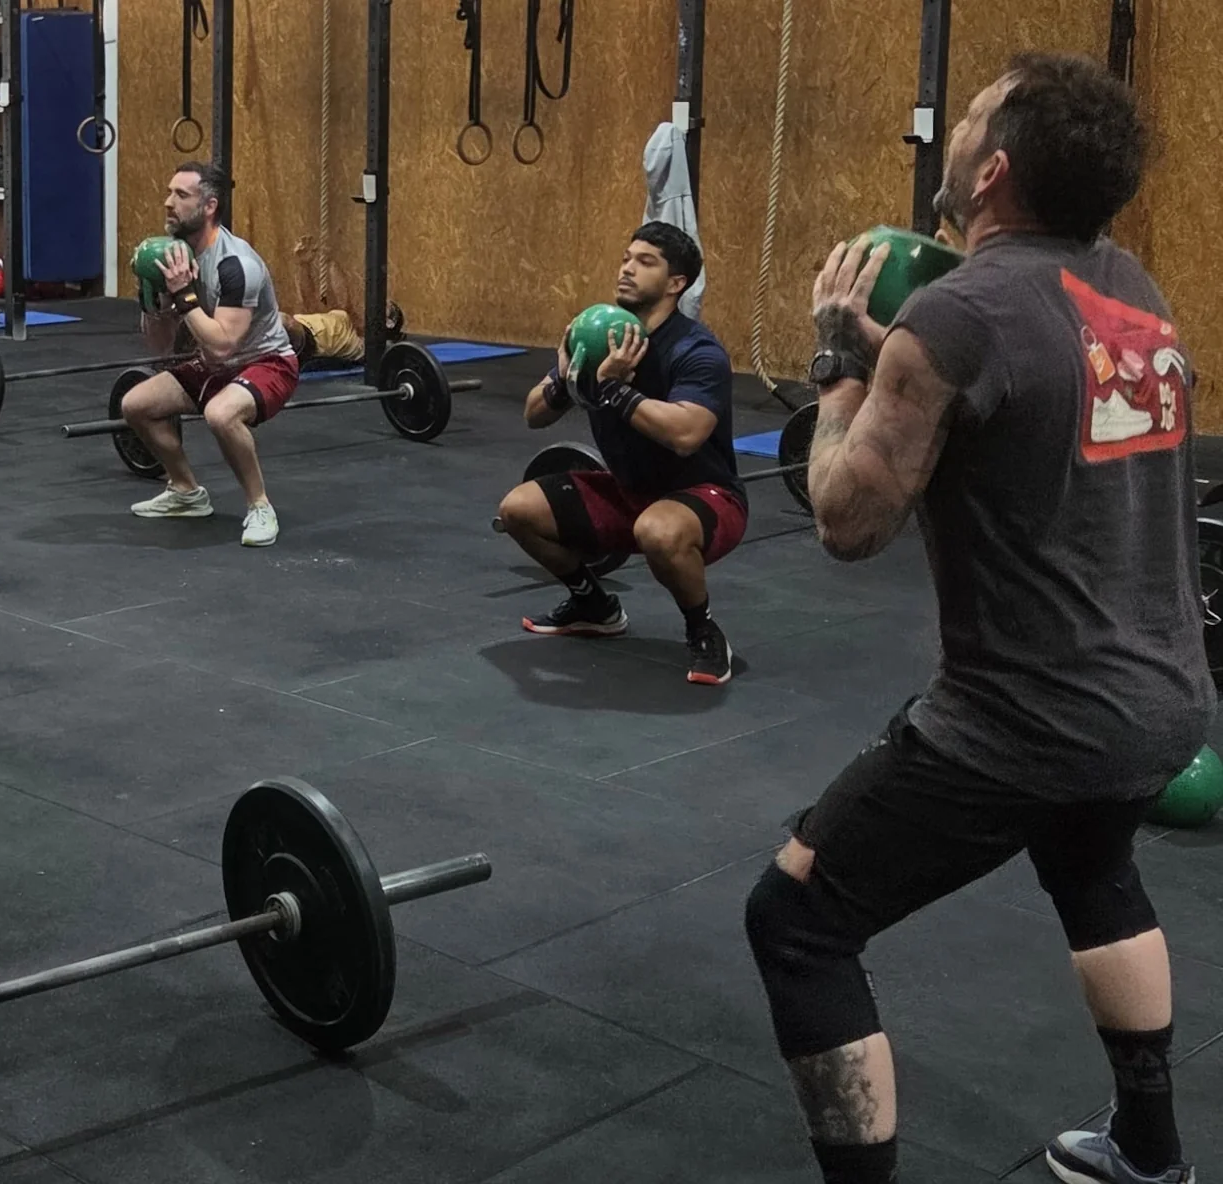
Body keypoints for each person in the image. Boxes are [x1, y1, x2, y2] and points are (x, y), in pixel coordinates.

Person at [743, 54, 1209, 1184]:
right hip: (1165, 700)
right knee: (1092, 870)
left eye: (965, 122)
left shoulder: (952, 320)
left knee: (797, 919)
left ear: (991, 169)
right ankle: (1149, 1153)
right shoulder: (1129, 289)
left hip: (1023, 720)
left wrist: (841, 361)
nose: (948, 135)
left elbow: (847, 522)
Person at [495, 221, 745, 685]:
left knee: (658, 530)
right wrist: (568, 380)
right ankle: (594, 606)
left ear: (677, 284)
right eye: (627, 258)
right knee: (518, 509)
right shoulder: (600, 334)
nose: (627, 269)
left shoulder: (696, 350)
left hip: (707, 498)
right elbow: (533, 414)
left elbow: (686, 434)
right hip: (629, 493)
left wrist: (610, 388)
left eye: (645, 262)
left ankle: (703, 630)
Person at [120, 161, 300, 548]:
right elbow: (161, 347)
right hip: (215, 365)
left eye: (181, 195)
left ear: (209, 207)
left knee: (221, 413)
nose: (168, 203)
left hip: (267, 362)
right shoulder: (173, 258)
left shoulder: (237, 265)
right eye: (169, 193)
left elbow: (222, 344)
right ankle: (186, 492)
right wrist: (155, 297)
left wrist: (184, 296)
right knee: (135, 404)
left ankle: (260, 506)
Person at [280, 233, 405, 368]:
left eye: (384, 307)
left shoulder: (361, 345)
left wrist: (331, 261)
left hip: (304, 341)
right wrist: (305, 265)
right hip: (300, 329)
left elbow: (344, 300)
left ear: (388, 323)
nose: (374, 305)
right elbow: (310, 302)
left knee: (281, 321)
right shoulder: (345, 319)